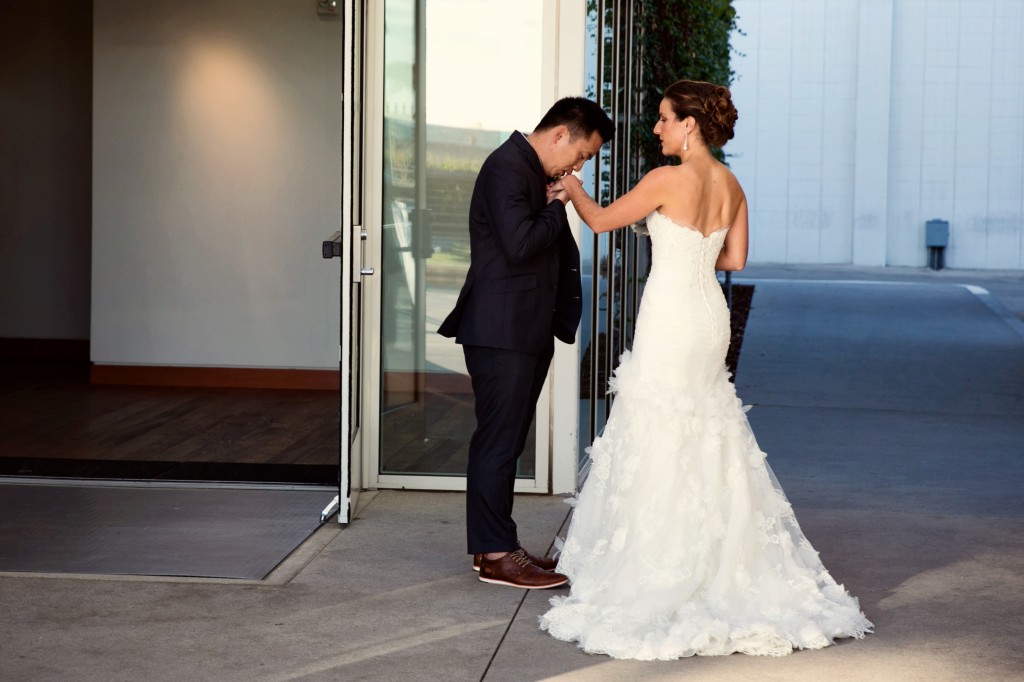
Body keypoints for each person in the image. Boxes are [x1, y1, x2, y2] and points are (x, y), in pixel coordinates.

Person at [539, 80, 873, 657]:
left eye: (665, 119)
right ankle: (721, 558)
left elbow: (600, 222)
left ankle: (663, 560)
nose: (658, 129)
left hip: (671, 314)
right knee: (704, 422)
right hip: (707, 315)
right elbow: (735, 258)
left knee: (660, 424)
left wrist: (573, 187)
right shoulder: (731, 183)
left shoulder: (667, 180)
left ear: (689, 124)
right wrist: (691, 250)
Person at [438, 97, 614, 589]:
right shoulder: (505, 167)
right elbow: (519, 245)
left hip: (522, 328)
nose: (579, 167)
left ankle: (498, 546)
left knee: (507, 441)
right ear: (561, 134)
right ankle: (495, 555)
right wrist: (560, 202)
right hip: (501, 330)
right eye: (582, 154)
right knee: (498, 441)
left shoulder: (526, 169)